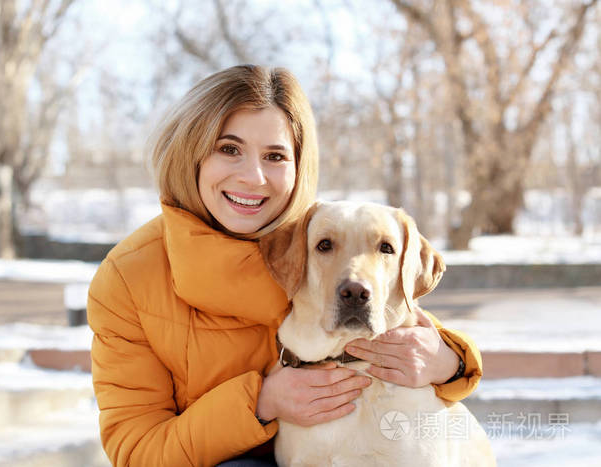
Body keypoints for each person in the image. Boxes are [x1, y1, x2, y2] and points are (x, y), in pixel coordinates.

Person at [87, 64, 482, 467]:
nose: (253, 177)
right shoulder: (128, 279)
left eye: (275, 156)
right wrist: (261, 401)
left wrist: (451, 361)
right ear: (191, 152)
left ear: (298, 168)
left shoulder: (312, 236)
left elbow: (385, 306)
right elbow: (136, 449)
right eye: (229, 149)